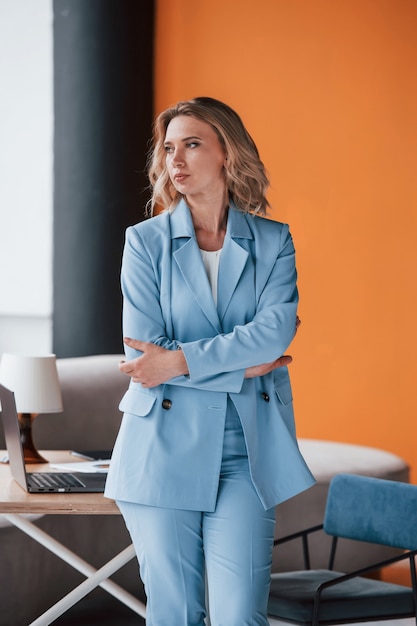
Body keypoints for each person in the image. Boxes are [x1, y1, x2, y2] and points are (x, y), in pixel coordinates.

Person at [104, 96, 315, 626]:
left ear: (227, 153)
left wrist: (180, 363)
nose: (177, 159)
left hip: (247, 449)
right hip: (160, 449)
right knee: (175, 614)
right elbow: (146, 349)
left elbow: (273, 332)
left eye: (193, 144)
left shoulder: (273, 241)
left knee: (240, 615)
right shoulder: (144, 243)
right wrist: (242, 365)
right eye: (169, 147)